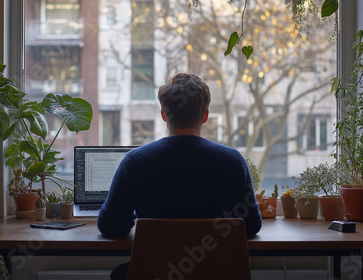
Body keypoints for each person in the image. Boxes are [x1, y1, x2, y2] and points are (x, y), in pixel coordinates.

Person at [97, 73, 262, 279]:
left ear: (164, 115)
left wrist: (138, 219)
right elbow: (251, 226)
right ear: (205, 116)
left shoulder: (135, 162)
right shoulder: (233, 161)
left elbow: (111, 226)